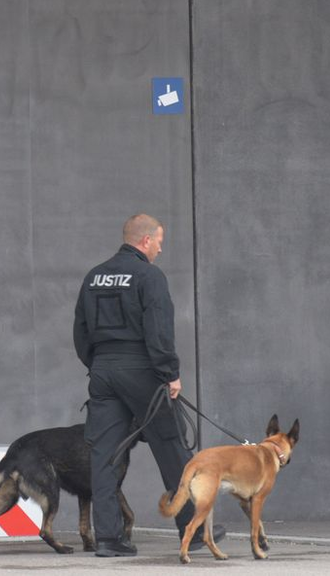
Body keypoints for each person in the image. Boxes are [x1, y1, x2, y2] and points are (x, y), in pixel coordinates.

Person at [73, 213, 225, 558]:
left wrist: (98, 365)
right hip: (143, 369)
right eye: (159, 242)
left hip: (103, 370)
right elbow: (158, 330)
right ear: (145, 241)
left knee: (104, 454)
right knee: (172, 447)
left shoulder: (94, 276)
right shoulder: (149, 276)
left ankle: (109, 539)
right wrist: (169, 372)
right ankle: (195, 530)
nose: (159, 249)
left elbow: (80, 330)